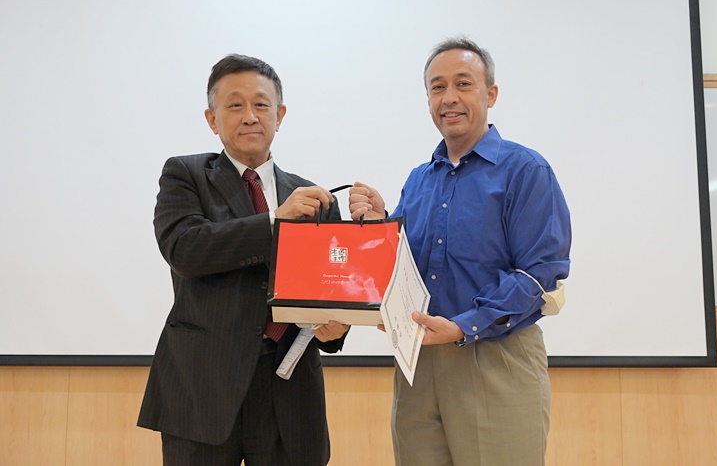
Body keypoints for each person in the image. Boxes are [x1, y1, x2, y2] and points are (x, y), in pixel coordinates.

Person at [349, 37, 571, 465]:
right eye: (437, 87)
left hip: (496, 358)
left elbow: (539, 274)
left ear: (491, 94)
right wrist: (380, 227)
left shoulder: (526, 170)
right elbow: (405, 270)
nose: (448, 97)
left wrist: (462, 326)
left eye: (463, 84)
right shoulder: (419, 179)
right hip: (419, 362)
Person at [138, 54, 349, 466]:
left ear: (279, 115)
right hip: (203, 389)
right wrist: (274, 222)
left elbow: (332, 291)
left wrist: (338, 326)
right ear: (212, 119)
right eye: (235, 105)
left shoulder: (314, 198)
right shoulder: (185, 174)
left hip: (290, 391)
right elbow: (185, 248)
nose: (250, 116)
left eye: (261, 104)